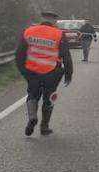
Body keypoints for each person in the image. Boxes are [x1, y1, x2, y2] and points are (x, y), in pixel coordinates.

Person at [15, 8, 73, 137]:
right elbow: (66, 56)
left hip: (32, 71)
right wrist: (69, 74)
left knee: (32, 94)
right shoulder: (59, 34)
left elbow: (19, 54)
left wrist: (24, 71)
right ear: (54, 21)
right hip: (51, 72)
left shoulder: (28, 31)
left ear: (42, 19)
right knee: (49, 98)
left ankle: (32, 117)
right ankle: (44, 127)